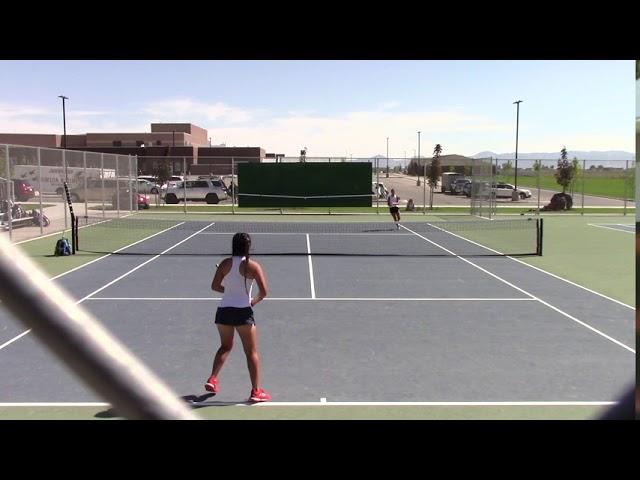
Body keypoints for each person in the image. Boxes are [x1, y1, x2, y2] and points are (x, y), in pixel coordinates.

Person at [205, 232, 271, 402]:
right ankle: (256, 391)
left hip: (224, 311)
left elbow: (214, 286)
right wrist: (252, 302)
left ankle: (212, 378)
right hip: (243, 313)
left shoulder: (225, 264)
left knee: (225, 347)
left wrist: (228, 291)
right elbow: (263, 292)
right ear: (248, 247)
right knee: (251, 353)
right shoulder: (253, 267)